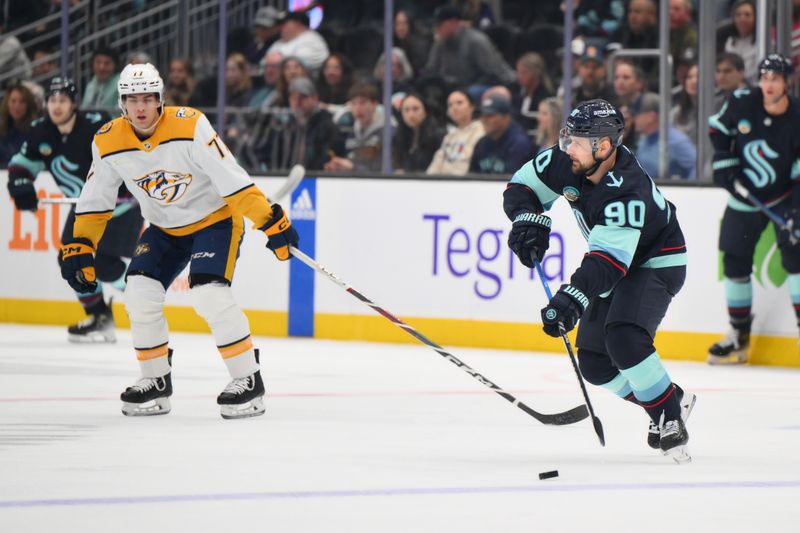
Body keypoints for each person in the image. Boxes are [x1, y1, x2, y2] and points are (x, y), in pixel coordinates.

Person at [57, 63, 299, 419]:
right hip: (164, 229)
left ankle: (248, 378)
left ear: (160, 99)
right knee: (138, 292)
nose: (141, 107)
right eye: (132, 99)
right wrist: (81, 243)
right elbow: (96, 201)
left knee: (208, 290)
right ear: (122, 103)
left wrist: (268, 220)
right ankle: (155, 379)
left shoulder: (190, 124)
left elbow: (231, 179)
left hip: (214, 221)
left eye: (148, 98)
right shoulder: (107, 140)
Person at [503, 98, 695, 463]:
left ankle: (669, 417)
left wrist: (570, 299)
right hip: (617, 261)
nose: (566, 147)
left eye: (576, 141)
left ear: (604, 146)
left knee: (624, 337)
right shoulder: (568, 161)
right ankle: (671, 398)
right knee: (594, 363)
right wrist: (526, 220)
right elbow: (521, 187)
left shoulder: (626, 188)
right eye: (567, 137)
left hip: (657, 262)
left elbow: (608, 263)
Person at [6, 77, 142, 342]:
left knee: (102, 263)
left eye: (63, 100)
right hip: (85, 206)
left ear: (74, 104)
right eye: (52, 100)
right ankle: (99, 317)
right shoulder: (40, 130)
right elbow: (21, 164)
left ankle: (142, 298)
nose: (56, 106)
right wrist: (21, 186)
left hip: (120, 206)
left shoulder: (96, 124)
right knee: (71, 259)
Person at [707, 54, 800, 364]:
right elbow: (718, 130)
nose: (769, 84)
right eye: (764, 77)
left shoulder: (797, 114)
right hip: (744, 197)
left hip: (785, 195)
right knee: (734, 260)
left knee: (796, 259)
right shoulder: (742, 101)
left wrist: (797, 208)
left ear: (787, 81)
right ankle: (738, 334)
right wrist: (723, 159)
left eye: (775, 78)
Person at [424, 5, 515, 93]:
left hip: (488, 86)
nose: (436, 29)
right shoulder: (440, 43)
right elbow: (431, 71)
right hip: (456, 89)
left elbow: (493, 75)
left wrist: (465, 91)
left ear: (454, 23)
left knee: (472, 93)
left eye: (439, 25)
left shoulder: (476, 41)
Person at [633, 92, 696, 179]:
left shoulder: (677, 141)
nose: (634, 118)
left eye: (636, 115)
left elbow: (695, 167)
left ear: (651, 116)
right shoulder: (643, 139)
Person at [324, 81, 386, 172]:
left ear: (374, 104)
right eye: (354, 103)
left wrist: (353, 167)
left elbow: (384, 170)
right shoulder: (350, 132)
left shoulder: (388, 132)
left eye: (362, 103)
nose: (358, 108)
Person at [469, 93, 532, 174]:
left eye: (490, 115)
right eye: (482, 115)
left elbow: (513, 181)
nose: (484, 120)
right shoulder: (482, 142)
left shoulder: (518, 144)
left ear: (506, 118)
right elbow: (472, 175)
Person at [427, 89, 485, 175]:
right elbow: (435, 166)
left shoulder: (481, 130)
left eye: (459, 103)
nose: (454, 107)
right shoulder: (449, 137)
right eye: (450, 105)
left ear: (472, 106)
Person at [392, 93, 445, 173]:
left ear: (425, 111)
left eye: (415, 109)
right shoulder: (398, 136)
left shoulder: (437, 136)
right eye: (406, 110)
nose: (411, 115)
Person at [511, 52, 554, 134]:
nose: (519, 76)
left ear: (535, 74)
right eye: (518, 72)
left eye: (523, 73)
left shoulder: (545, 97)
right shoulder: (517, 92)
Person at [0, 84, 39, 165]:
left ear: (29, 105)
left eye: (22, 102)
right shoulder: (2, 128)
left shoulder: (36, 130)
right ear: (7, 103)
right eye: (13, 101)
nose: (17, 106)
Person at [724, 0, 758, 85]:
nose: (742, 19)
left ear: (755, 18)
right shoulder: (730, 42)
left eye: (747, 15)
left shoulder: (761, 42)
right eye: (738, 15)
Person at [81, 45, 119, 111]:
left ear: (115, 65)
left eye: (107, 63)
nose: (102, 67)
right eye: (98, 62)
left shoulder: (121, 84)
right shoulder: (91, 85)